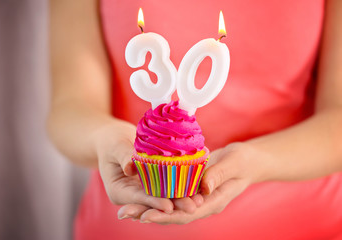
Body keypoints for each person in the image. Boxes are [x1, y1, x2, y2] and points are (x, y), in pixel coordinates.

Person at [48, 0, 342, 239]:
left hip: (303, 224)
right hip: (120, 227)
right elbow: (69, 107)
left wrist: (257, 161)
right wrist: (106, 138)